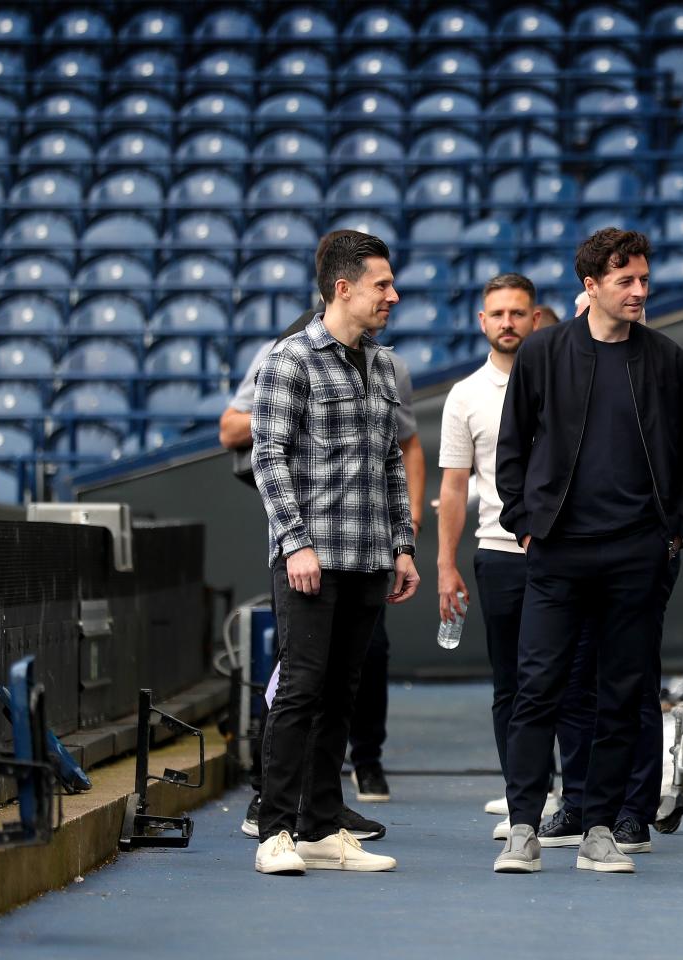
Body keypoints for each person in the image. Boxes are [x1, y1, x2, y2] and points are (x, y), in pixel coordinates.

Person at [492, 228, 683, 875]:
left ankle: (600, 831)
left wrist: (673, 531)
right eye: (626, 281)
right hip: (557, 552)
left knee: (622, 692)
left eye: (643, 279)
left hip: (637, 555)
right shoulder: (542, 353)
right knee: (538, 690)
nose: (639, 291)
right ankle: (524, 827)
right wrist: (526, 520)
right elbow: (512, 449)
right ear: (591, 287)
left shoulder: (668, 361)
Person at [250, 230, 418, 875]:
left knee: (341, 695)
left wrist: (402, 545)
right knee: (299, 691)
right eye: (382, 285)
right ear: (343, 289)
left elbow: (390, 465)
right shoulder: (289, 360)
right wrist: (296, 543)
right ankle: (274, 833)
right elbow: (268, 459)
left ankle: (321, 828)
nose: (393, 296)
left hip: (370, 558)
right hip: (310, 561)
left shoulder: (380, 364)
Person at [435, 273, 544, 837]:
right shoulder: (465, 395)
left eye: (517, 313)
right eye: (497, 313)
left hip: (558, 556)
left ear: (534, 318)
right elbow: (454, 487)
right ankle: (522, 791)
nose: (507, 323)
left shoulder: (560, 381)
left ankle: (567, 797)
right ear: (483, 322)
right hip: (498, 556)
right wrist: (445, 564)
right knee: (511, 683)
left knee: (565, 679)